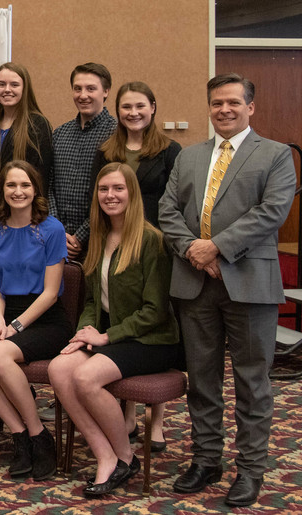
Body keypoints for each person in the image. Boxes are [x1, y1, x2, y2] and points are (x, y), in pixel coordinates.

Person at [159, 73, 295, 507]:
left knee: (253, 382)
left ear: (250, 107)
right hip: (195, 283)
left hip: (250, 284)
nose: (225, 110)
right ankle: (206, 459)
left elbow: (271, 212)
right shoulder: (191, 156)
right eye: (217, 103)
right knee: (202, 380)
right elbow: (167, 210)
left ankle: (251, 469)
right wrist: (196, 253)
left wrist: (216, 247)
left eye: (233, 102)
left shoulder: (275, 155)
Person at [48, 162, 181, 497]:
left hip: (152, 339)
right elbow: (92, 301)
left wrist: (105, 337)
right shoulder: (100, 236)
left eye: (118, 188)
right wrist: (84, 333)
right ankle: (104, 453)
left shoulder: (152, 241)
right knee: (60, 368)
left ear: (132, 193)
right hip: (115, 336)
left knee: (85, 377)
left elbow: (156, 311)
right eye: (104, 189)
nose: (110, 195)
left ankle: (124, 456)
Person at [0, 160, 70, 481]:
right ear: (2, 190)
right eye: (11, 185)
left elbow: (51, 293)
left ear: (35, 189)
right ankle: (20, 434)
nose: (18, 191)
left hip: (46, 320)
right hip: (6, 316)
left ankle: (40, 436)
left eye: (25, 185)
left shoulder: (52, 229)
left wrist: (14, 328)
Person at [93, 81, 183, 450]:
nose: (133, 113)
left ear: (153, 107)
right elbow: (98, 192)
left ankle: (155, 420)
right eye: (126, 107)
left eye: (140, 106)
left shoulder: (169, 150)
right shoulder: (108, 150)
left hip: (154, 242)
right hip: (115, 238)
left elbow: (176, 197)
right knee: (119, 318)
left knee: (150, 322)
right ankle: (127, 415)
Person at [49, 63, 118, 260]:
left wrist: (80, 236)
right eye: (77, 88)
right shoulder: (60, 134)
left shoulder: (116, 135)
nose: (83, 95)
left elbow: (115, 193)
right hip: (58, 240)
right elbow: (49, 184)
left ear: (105, 91)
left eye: (91, 88)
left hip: (101, 239)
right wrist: (58, 231)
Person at [0, 63, 53, 234]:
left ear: (25, 89)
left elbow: (42, 178)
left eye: (14, 84)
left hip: (25, 219)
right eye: (1, 84)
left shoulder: (37, 125)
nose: (7, 89)